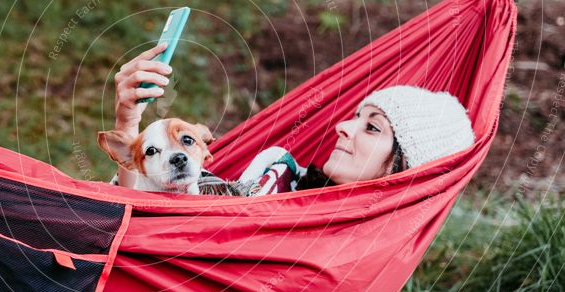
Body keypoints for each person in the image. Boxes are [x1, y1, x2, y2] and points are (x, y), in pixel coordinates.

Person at [111, 44, 475, 196]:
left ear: (404, 167)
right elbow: (133, 213)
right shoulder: (280, 175)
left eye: (372, 126)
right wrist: (129, 125)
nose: (342, 127)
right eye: (355, 117)